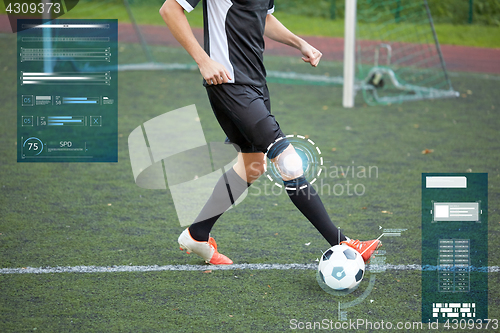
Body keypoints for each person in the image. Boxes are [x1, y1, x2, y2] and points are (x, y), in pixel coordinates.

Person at [160, 0, 381, 265]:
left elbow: (261, 17)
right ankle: (343, 243)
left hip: (255, 84)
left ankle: (197, 234)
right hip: (229, 82)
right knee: (288, 160)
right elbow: (170, 9)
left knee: (252, 166)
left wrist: (300, 43)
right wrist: (203, 60)